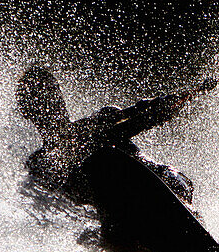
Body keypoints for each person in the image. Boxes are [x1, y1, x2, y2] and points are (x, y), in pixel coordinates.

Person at [16, 65, 195, 206]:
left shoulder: (103, 119)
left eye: (54, 93)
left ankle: (181, 209)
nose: (52, 103)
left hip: (161, 182)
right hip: (114, 212)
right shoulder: (40, 165)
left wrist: (163, 106)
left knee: (107, 155)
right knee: (98, 162)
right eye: (41, 98)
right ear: (28, 112)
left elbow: (135, 114)